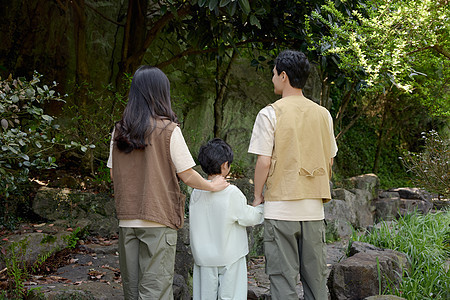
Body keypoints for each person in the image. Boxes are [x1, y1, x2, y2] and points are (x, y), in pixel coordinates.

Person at [107, 66, 229, 300]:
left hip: (127, 221)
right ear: (160, 94)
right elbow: (187, 174)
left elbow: (114, 175)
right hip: (159, 219)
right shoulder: (169, 130)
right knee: (155, 293)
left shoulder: (119, 130)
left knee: (132, 292)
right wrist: (211, 185)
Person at [248, 50, 338, 300]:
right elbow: (329, 158)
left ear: (284, 75)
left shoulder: (269, 113)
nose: (272, 78)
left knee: (282, 283)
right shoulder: (324, 114)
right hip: (313, 210)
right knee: (316, 283)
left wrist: (257, 196)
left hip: (280, 209)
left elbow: (264, 161)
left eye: (274, 73)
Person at [189, 138, 264, 300]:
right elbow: (248, 217)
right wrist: (262, 209)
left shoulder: (197, 191)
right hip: (230, 257)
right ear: (225, 165)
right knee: (231, 296)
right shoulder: (232, 193)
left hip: (204, 259)